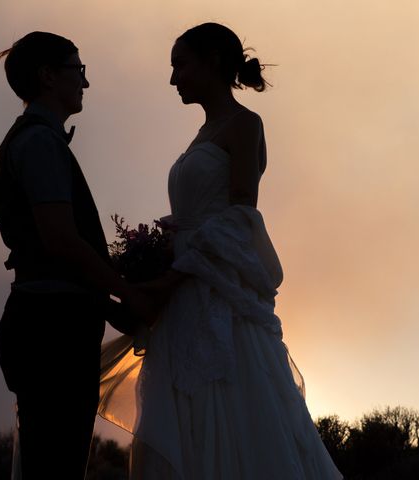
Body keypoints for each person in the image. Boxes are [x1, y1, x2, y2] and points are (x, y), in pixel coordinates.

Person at [99, 23, 343, 479]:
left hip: (215, 296)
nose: (174, 80)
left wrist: (171, 276)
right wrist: (150, 255)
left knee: (229, 414)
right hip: (183, 297)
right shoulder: (202, 133)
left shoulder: (244, 125)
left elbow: (240, 216)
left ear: (212, 61)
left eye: (181, 65)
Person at [0, 31, 150, 479]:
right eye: (78, 70)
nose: (85, 83)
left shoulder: (39, 140)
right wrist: (124, 291)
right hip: (51, 331)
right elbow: (59, 239)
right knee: (56, 464)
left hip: (49, 323)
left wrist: (109, 306)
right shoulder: (40, 143)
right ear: (47, 77)